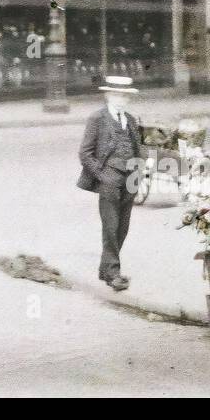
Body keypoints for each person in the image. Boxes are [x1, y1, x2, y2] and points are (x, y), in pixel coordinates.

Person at [77, 75, 145, 290]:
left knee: (122, 228)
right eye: (117, 94)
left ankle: (106, 270)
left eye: (125, 96)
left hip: (130, 180)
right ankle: (114, 274)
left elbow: (138, 149)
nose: (121, 99)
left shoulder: (131, 120)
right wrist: (102, 175)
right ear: (108, 95)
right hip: (110, 179)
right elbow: (85, 153)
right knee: (110, 226)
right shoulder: (97, 118)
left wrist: (139, 174)